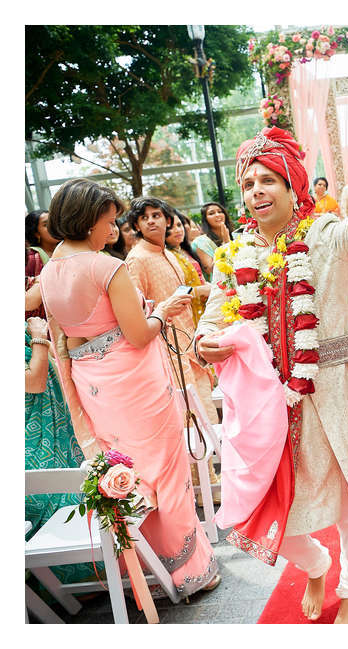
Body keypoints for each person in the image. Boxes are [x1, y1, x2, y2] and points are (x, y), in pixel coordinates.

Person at [194, 124, 348, 624]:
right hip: (263, 402)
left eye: (268, 180)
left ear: (293, 186)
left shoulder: (327, 236)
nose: (256, 191)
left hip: (333, 387)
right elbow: (213, 316)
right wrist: (202, 342)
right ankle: (314, 563)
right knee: (260, 505)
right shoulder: (233, 258)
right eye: (249, 183)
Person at [39, 178, 220, 598]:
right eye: (108, 222)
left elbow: (68, 337)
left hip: (94, 386)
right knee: (165, 471)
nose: (113, 230)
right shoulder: (107, 267)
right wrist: (164, 311)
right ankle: (188, 570)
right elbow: (138, 335)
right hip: (136, 383)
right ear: (87, 223)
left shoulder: (50, 273)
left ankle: (144, 568)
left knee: (125, 472)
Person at [124, 197, 221, 440]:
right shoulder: (137, 259)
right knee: (190, 426)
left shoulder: (168, 253)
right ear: (137, 226)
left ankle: (210, 477)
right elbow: (136, 310)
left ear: (167, 220)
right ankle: (199, 479)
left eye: (156, 215)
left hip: (189, 347)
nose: (151, 222)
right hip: (167, 354)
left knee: (208, 420)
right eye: (144, 218)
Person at [166, 210, 211, 329]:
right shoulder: (167, 255)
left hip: (205, 305)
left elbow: (199, 276)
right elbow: (172, 291)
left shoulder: (185, 250)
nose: (177, 230)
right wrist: (201, 290)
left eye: (179, 225)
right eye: (171, 227)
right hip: (187, 311)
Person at [192, 202, 234, 281]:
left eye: (220, 212)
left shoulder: (234, 236)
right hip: (218, 285)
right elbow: (210, 270)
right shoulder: (201, 242)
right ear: (205, 219)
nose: (217, 215)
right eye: (211, 213)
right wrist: (225, 244)